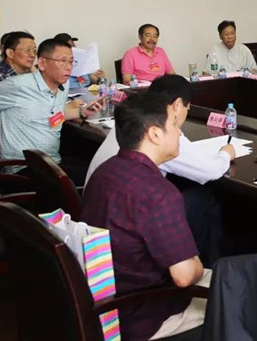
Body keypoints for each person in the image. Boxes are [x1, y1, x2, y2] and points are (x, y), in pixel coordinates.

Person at [82, 92, 209, 340]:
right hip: (141, 314)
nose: (179, 133)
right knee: (237, 294)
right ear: (154, 134)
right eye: (175, 125)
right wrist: (196, 264)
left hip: (103, 297)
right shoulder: (158, 193)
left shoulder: (105, 172)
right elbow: (184, 276)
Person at [85, 74, 234, 264]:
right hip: (128, 257)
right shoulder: (159, 136)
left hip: (100, 242)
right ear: (177, 105)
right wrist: (225, 154)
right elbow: (209, 171)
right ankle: (212, 264)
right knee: (203, 198)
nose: (179, 132)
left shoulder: (131, 122)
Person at [0, 38, 103, 172]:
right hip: (24, 166)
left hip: (53, 161)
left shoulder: (63, 84)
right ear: (42, 63)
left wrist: (82, 112)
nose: (69, 67)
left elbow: (54, 114)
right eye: (62, 61)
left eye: (71, 61)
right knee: (96, 176)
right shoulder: (18, 85)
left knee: (97, 163)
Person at [0, 31, 37, 156]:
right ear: (10, 53)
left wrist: (31, 68)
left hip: (10, 132)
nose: (32, 55)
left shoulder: (19, 72)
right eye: (28, 50)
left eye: (34, 51)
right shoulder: (2, 77)